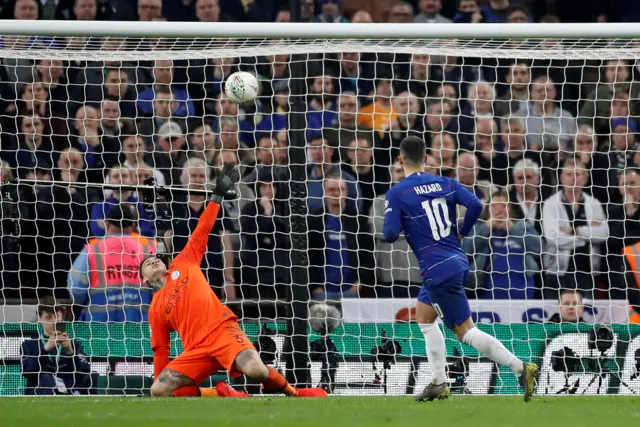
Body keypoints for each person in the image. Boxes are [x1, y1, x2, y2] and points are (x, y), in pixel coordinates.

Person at [140, 164, 326, 398]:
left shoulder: (184, 262)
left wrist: (217, 194)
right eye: (147, 264)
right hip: (196, 350)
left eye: (155, 259)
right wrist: (160, 378)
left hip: (223, 331)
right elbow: (161, 349)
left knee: (256, 370)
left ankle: (294, 392)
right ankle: (220, 393)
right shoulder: (155, 309)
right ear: (146, 281)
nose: (153, 261)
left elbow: (203, 228)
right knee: (159, 389)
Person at [383, 136, 538, 402]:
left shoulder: (398, 192)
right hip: (456, 259)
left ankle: (521, 368)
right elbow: (477, 204)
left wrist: (404, 220)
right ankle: (438, 382)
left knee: (465, 331)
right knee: (424, 317)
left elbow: (389, 233)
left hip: (435, 267)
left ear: (400, 159)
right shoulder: (445, 182)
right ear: (426, 159)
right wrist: (461, 234)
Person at [68, 205, 155, 322]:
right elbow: (160, 289)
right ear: (133, 226)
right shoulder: (147, 252)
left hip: (100, 329)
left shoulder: (92, 251)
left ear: (107, 224)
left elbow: (75, 289)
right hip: (139, 328)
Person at [21, 297, 93, 395]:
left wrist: (71, 352)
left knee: (93, 376)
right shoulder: (29, 345)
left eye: (57, 316)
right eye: (49, 317)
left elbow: (85, 371)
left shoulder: (74, 344)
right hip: (40, 394)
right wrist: (45, 349)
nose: (54, 321)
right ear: (40, 318)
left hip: (69, 391)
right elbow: (27, 372)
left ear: (62, 317)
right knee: (46, 378)